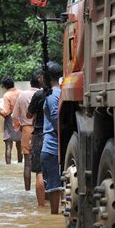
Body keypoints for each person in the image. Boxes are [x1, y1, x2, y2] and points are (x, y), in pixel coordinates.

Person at [41, 62, 63, 214]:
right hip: (55, 145)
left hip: (51, 146)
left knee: (53, 186)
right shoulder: (59, 92)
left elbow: (55, 118)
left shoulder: (51, 95)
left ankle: (54, 215)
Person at [12, 72, 40, 191]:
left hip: (26, 130)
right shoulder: (44, 94)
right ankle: (44, 193)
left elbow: (14, 116)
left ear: (30, 83)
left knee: (27, 163)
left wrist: (18, 127)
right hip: (41, 129)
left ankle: (27, 191)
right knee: (42, 164)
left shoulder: (22, 96)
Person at [27, 70, 47, 207]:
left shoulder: (39, 95)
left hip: (40, 134)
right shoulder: (61, 93)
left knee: (40, 171)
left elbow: (29, 115)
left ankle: (41, 207)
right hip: (57, 134)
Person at [0, 76, 22, 164]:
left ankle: (8, 166)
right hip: (20, 119)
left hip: (10, 120)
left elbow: (6, 112)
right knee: (19, 144)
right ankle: (20, 163)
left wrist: (0, 111)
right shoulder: (21, 93)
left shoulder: (7, 95)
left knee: (8, 145)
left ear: (4, 86)